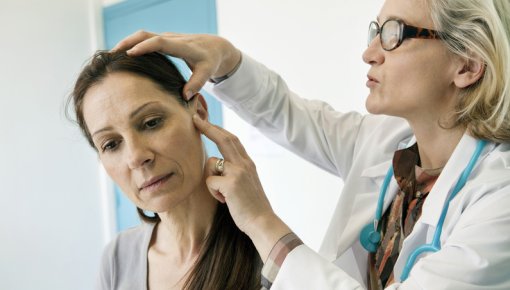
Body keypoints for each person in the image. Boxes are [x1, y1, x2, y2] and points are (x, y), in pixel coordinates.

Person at [113, 0, 510, 289]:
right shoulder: (383, 141)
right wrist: (226, 59)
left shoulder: (498, 199)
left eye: (394, 35)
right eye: (375, 32)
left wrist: (262, 222)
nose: (369, 54)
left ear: (467, 65)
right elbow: (287, 113)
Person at [68, 51, 262, 290]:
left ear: (199, 111)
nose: (136, 157)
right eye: (111, 144)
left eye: (151, 122)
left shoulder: (268, 251)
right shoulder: (118, 258)